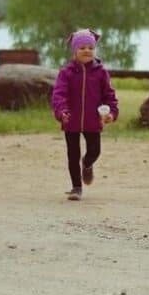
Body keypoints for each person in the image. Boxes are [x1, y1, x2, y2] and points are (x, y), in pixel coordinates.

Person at [51, 29, 119, 201]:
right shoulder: (66, 72)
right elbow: (58, 95)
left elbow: (110, 96)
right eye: (82, 47)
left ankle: (87, 164)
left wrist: (111, 112)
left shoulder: (101, 72)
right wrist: (61, 112)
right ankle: (76, 187)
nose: (87, 50)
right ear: (75, 51)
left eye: (90, 47)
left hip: (93, 120)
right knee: (72, 154)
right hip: (71, 120)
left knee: (94, 151)